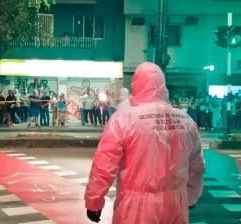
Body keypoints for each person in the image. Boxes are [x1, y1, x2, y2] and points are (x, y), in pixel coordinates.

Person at [85, 62, 204, 224]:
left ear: (136, 85)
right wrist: (190, 196)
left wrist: (94, 201)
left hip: (136, 208)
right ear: (163, 86)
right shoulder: (186, 121)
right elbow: (196, 166)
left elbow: (104, 164)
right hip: (176, 205)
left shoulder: (123, 119)